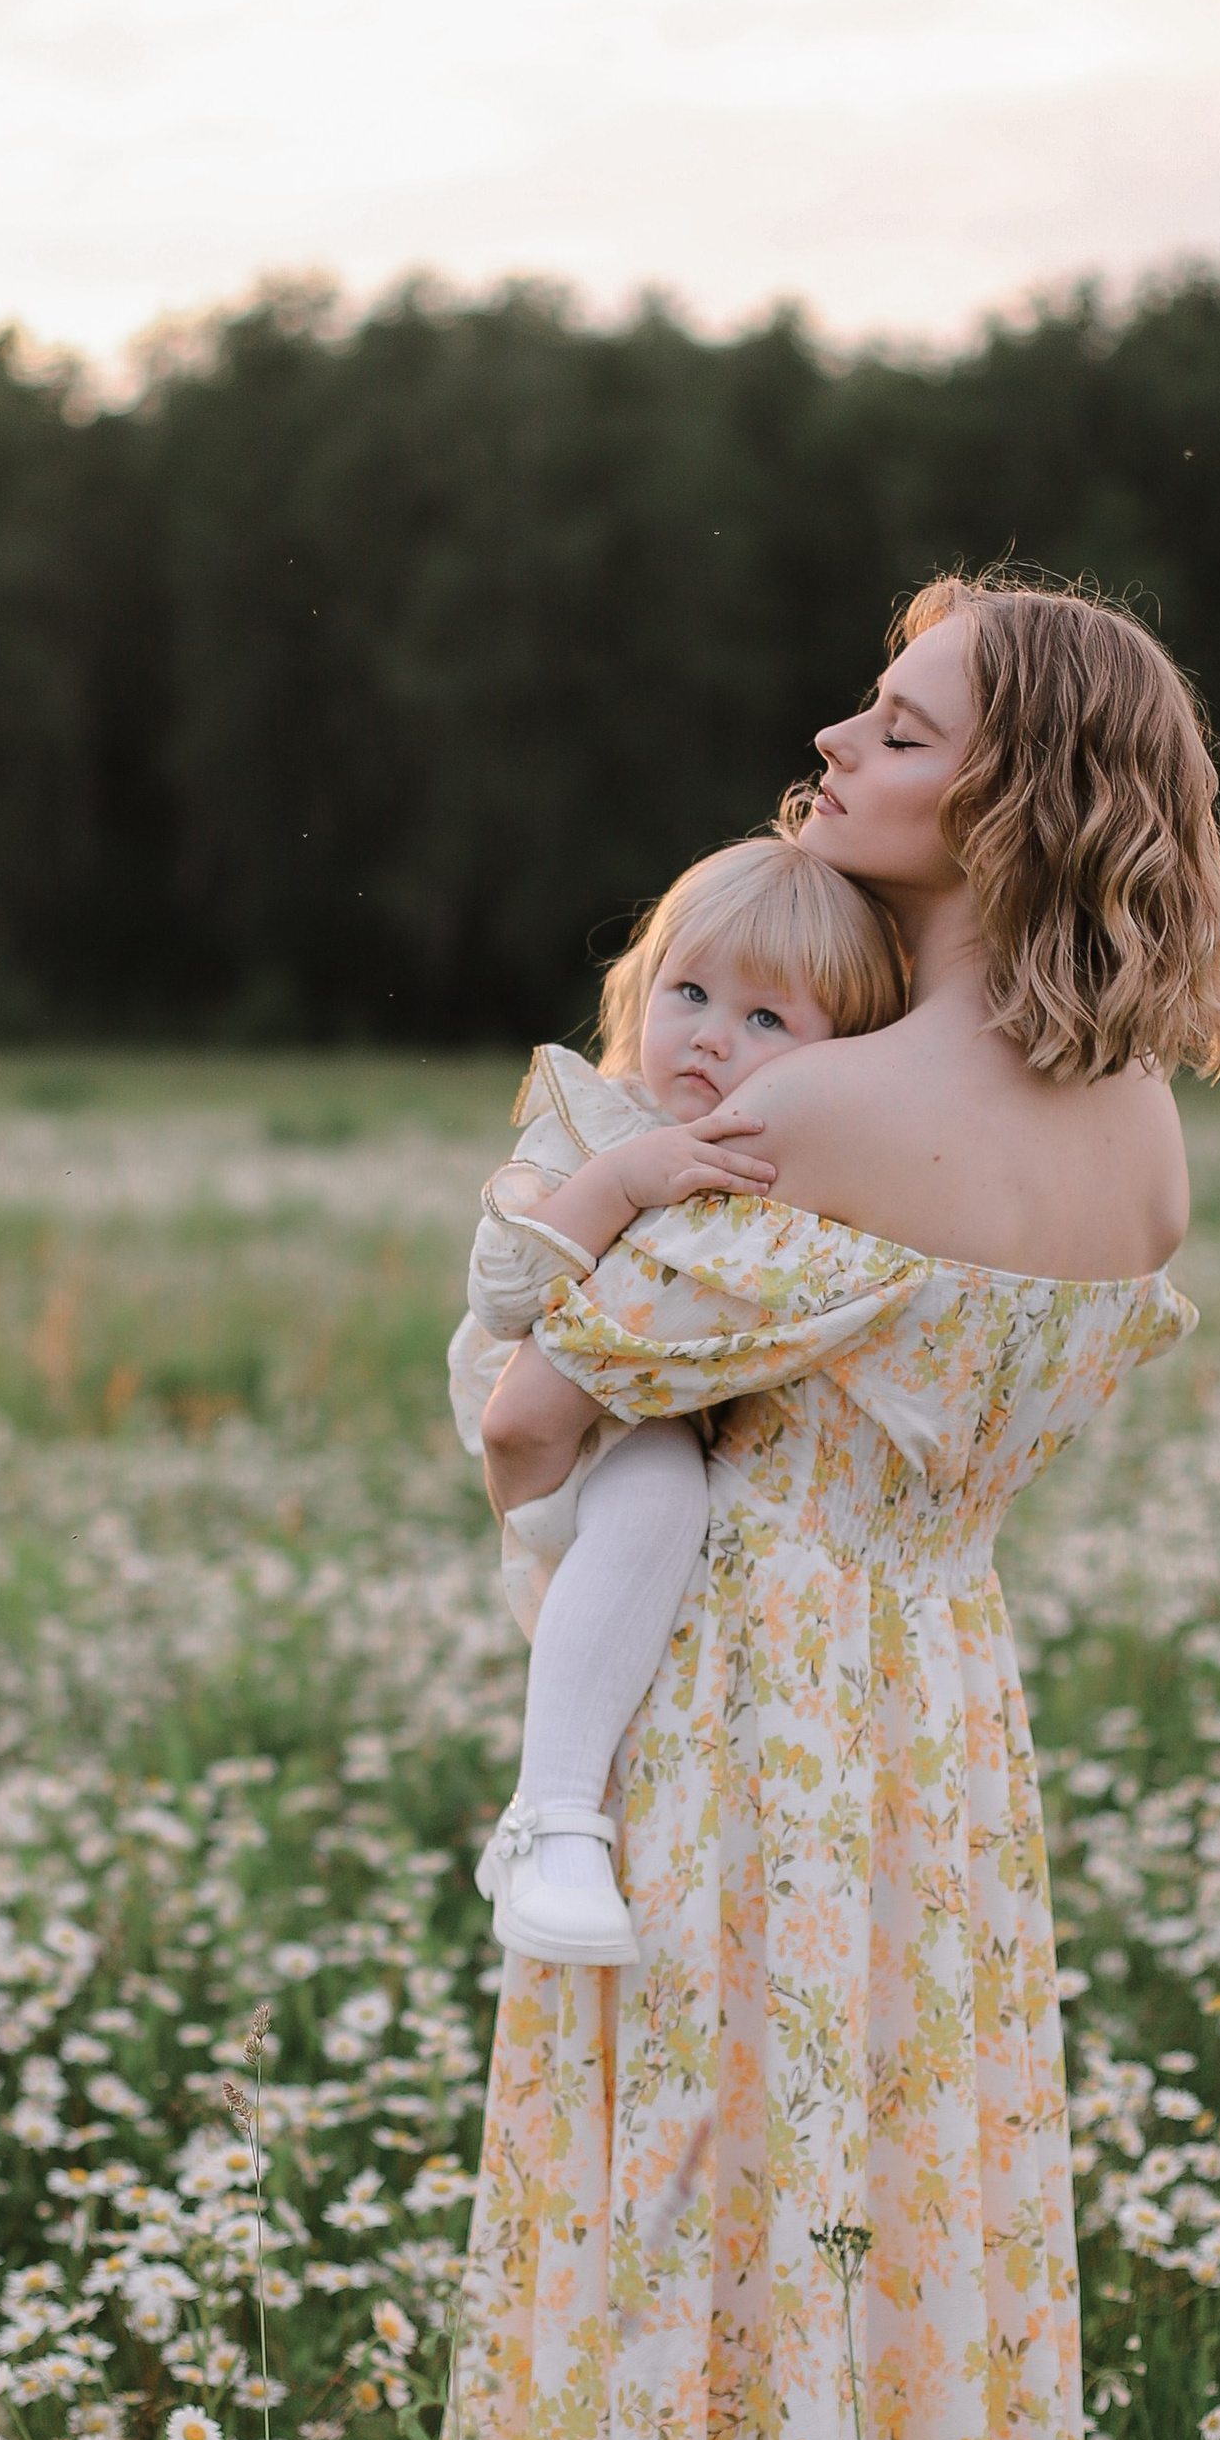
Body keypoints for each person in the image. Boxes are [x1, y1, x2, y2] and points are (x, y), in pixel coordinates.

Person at [406, 571, 1220, 2440]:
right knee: (900, 2191)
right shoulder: (1147, 1139)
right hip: (941, 1713)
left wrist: (550, 1250)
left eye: (897, 728)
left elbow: (522, 1424)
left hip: (743, 1700)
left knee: (691, 2192)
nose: (843, 744)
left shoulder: (811, 1118)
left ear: (1011, 791)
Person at [449, 828, 906, 1969]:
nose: (709, 1037)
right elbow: (502, 1291)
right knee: (655, 1498)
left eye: (766, 1019)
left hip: (686, 1421)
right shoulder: (599, 1123)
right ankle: (549, 1824)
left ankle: (572, 1813)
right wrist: (618, 1185)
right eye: (689, 991)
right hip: (597, 1424)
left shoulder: (800, 1148)